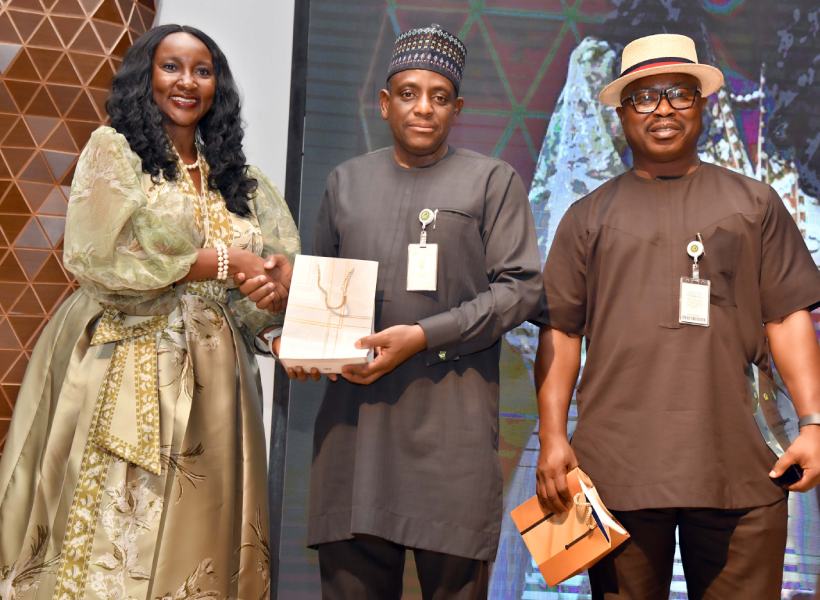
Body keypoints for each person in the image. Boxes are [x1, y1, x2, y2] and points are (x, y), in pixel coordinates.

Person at [0, 24, 299, 599]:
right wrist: (217, 261)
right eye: (172, 67)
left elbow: (263, 282)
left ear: (219, 87)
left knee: (202, 530)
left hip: (219, 386)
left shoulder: (240, 181)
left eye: (202, 71)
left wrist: (272, 297)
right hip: (125, 361)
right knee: (118, 528)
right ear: (146, 77)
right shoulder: (117, 153)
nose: (187, 82)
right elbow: (97, 254)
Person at [535, 33, 820, 598]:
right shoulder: (586, 217)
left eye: (678, 94)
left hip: (742, 465)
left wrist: (813, 423)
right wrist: (550, 437)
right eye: (644, 97)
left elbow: (788, 318)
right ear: (620, 111)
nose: (662, 109)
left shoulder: (755, 204)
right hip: (616, 470)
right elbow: (561, 331)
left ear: (703, 104)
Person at [267, 23, 543, 599]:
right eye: (410, 94)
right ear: (385, 102)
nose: (424, 109)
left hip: (452, 436)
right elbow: (324, 296)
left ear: (458, 108)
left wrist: (423, 335)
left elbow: (519, 289)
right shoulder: (346, 182)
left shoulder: (493, 181)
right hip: (355, 437)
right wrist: (293, 338)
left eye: (440, 97)